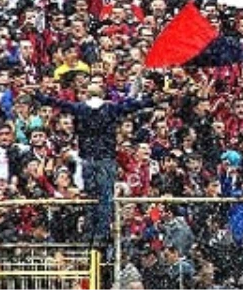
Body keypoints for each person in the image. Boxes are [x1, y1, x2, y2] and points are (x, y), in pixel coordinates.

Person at [34, 81, 154, 241]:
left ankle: (89, 233)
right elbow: (133, 106)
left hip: (88, 160)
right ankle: (101, 236)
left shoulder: (80, 108)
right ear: (103, 95)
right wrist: (154, 100)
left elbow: (57, 103)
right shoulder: (111, 108)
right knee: (105, 198)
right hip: (105, 159)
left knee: (90, 197)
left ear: (87, 95)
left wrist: (38, 95)